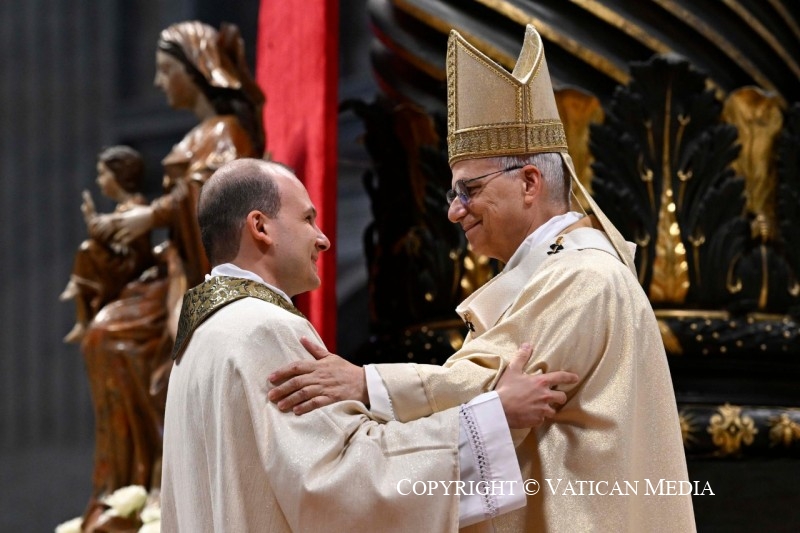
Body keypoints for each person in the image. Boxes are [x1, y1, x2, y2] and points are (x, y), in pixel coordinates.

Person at [268, 25, 696, 532]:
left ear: (530, 182)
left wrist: (365, 383)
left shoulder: (584, 275)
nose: (453, 211)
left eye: (469, 190)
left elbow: (487, 385)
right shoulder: (556, 271)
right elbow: (497, 400)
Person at [160, 157, 579, 532]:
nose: (323, 239)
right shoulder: (262, 329)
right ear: (260, 227)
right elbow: (341, 485)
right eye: (308, 219)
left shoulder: (199, 340)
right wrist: (491, 418)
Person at [77, 21, 266, 530]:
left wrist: (153, 215)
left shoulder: (228, 132)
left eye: (166, 71)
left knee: (120, 340)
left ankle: (160, 483)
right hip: (178, 268)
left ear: (194, 70)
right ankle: (128, 480)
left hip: (207, 280)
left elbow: (219, 202)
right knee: (104, 334)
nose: (160, 84)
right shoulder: (200, 136)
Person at [60, 146, 154, 343]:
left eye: (102, 174)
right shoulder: (124, 207)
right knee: (89, 250)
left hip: (131, 266)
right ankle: (82, 311)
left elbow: (108, 231)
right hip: (122, 261)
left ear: (119, 174)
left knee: (88, 250)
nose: (98, 180)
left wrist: (92, 220)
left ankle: (80, 290)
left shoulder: (137, 206)